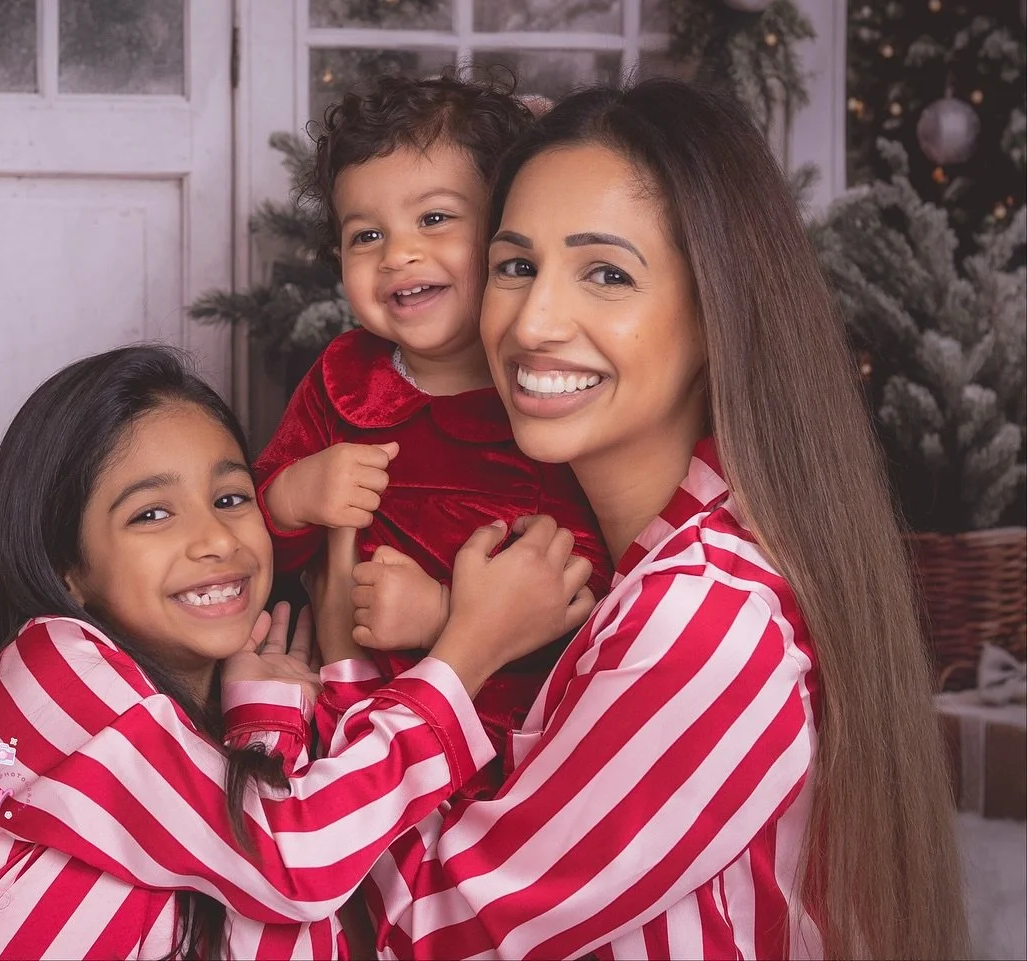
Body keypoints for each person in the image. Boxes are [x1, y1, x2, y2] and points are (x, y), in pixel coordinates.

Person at [243, 78, 968, 959]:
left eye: (607, 273)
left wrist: (354, 658)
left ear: (716, 314)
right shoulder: (652, 552)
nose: (534, 321)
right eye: (516, 265)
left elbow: (431, 932)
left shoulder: (703, 624)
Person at [0, 345, 590, 960]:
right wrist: (464, 655)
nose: (215, 538)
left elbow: (287, 927)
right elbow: (293, 864)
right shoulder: (50, 670)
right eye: (152, 513)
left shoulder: (223, 708)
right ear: (68, 568)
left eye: (232, 497)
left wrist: (266, 720)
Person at [253, 71, 610, 794]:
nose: (398, 255)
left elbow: (588, 587)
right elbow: (255, 539)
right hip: (338, 708)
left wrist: (442, 613)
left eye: (436, 219)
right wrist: (292, 495)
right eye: (367, 235)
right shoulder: (342, 377)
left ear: (505, 229)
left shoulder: (543, 389)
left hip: (488, 738)